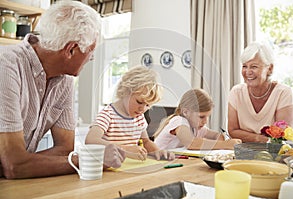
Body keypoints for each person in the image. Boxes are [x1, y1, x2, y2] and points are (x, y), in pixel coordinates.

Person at [0, 0, 125, 179]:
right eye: (91, 51)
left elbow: (65, 150)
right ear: (71, 50)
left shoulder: (65, 79)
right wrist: (89, 159)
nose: (92, 58)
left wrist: (24, 163)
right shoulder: (6, 65)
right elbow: (14, 166)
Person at [85, 66, 175, 161]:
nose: (143, 109)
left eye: (148, 105)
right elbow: (90, 140)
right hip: (108, 168)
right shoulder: (108, 115)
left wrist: (158, 151)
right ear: (125, 91)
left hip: (128, 167)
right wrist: (125, 149)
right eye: (139, 102)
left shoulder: (139, 118)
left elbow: (146, 142)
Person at [227, 41, 293, 143]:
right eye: (244, 66)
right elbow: (232, 131)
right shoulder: (236, 92)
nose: (248, 72)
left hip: (273, 154)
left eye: (254, 66)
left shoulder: (284, 93)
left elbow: (280, 137)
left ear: (270, 68)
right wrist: (258, 138)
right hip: (242, 153)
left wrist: (246, 136)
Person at [153, 89, 242, 150]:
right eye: (201, 117)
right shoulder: (179, 121)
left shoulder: (196, 127)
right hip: (157, 163)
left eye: (208, 117)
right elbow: (191, 143)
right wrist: (225, 145)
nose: (206, 121)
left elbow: (217, 136)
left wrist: (225, 139)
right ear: (186, 112)